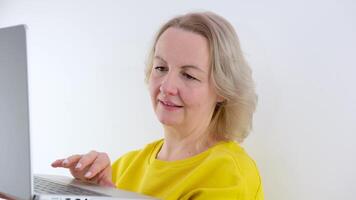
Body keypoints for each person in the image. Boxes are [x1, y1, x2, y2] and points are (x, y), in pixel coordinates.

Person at [52, 11, 264, 200]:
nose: (167, 86)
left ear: (222, 90)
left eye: (189, 75)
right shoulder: (126, 166)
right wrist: (89, 191)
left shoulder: (229, 174)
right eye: (161, 68)